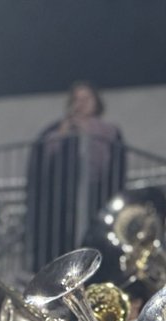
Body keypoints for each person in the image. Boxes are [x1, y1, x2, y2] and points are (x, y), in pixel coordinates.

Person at [26, 81, 126, 272]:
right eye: (76, 99)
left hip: (97, 199)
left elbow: (115, 167)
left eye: (86, 99)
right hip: (60, 204)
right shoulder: (55, 130)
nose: (80, 104)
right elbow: (42, 164)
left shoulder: (108, 131)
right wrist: (61, 135)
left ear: (96, 102)